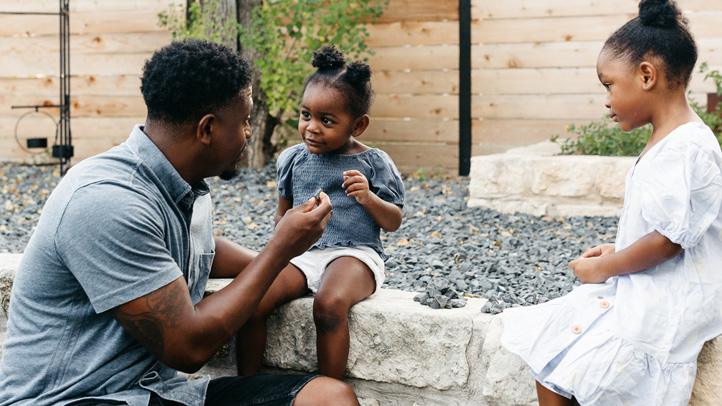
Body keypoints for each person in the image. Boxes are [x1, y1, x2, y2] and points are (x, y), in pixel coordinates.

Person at [0, 39, 360, 406]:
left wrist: (297, 269)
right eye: (245, 121)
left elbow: (198, 250)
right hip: (69, 399)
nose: (249, 134)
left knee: (327, 398)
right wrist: (280, 248)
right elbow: (187, 347)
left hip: (158, 393)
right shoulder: (104, 200)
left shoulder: (188, 186)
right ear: (206, 129)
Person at [501, 1, 722, 405]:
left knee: (585, 361)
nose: (605, 99)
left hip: (676, 292)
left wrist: (606, 266)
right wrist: (619, 251)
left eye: (608, 84)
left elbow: (669, 242)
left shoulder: (686, 148)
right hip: (661, 274)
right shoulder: (673, 138)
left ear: (646, 75)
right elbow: (664, 229)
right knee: (552, 355)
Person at [236, 45, 405, 380]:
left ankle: (329, 392)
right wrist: (281, 253)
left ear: (358, 125)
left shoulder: (373, 163)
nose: (312, 127)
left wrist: (369, 198)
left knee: (328, 305)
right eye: (306, 115)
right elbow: (282, 218)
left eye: (327, 121)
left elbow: (394, 221)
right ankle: (247, 390)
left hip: (354, 254)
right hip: (303, 254)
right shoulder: (292, 160)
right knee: (253, 303)